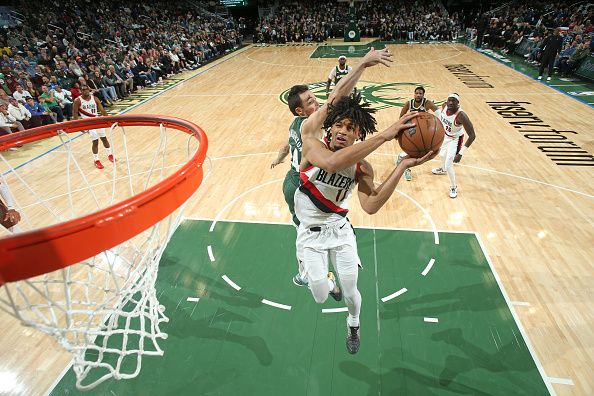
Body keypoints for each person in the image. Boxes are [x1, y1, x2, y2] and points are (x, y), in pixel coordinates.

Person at [296, 93, 434, 354]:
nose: (343, 131)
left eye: (351, 128)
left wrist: (402, 165)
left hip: (340, 233)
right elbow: (332, 163)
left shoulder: (361, 167)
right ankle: (329, 281)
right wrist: (384, 135)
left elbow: (371, 205)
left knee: (350, 292)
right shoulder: (312, 146)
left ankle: (354, 324)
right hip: (310, 237)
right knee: (320, 296)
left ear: (357, 135)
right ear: (330, 126)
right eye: (339, 124)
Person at [270, 47, 393, 287]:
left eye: (314, 97)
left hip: (292, 177)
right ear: (300, 110)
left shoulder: (297, 125)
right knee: (313, 230)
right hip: (302, 182)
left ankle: (307, 269)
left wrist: (279, 157)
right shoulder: (311, 123)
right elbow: (335, 97)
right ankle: (314, 274)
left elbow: (287, 144)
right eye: (309, 101)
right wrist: (363, 64)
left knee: (303, 228)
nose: (315, 101)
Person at [431, 93, 476, 198]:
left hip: (455, 139)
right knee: (441, 155)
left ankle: (454, 187)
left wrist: (460, 153)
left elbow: (472, 135)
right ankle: (443, 170)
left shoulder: (461, 115)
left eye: (453, 101)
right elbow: (442, 118)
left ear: (458, 103)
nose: (450, 102)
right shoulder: (444, 106)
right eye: (449, 100)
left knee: (449, 163)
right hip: (446, 136)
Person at [396, 86, 438, 181]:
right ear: (414, 94)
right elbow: (401, 117)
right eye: (417, 93)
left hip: (424, 130)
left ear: (423, 95)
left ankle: (401, 157)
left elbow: (439, 113)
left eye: (420, 93)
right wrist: (399, 130)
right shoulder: (409, 103)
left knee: (421, 149)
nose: (418, 95)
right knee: (412, 149)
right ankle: (407, 169)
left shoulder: (427, 103)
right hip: (412, 129)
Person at [72, 85, 114, 169]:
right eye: (84, 90)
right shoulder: (77, 100)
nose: (86, 91)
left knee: (104, 138)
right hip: (87, 123)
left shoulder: (95, 98)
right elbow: (75, 113)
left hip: (97, 121)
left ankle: (110, 154)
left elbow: (102, 110)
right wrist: (78, 126)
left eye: (87, 90)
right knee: (95, 141)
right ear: (81, 91)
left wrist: (109, 120)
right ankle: (96, 160)